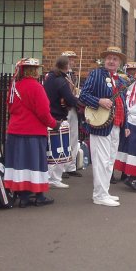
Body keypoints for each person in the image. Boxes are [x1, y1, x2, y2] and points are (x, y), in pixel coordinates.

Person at [4, 58, 60, 208]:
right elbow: (43, 112)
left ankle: (23, 197)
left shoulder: (14, 86)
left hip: (15, 131)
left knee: (20, 164)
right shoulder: (37, 87)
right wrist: (54, 124)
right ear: (33, 71)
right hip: (33, 132)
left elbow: (10, 107)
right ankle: (39, 196)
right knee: (36, 164)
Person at [79, 46, 129, 207]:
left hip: (116, 125)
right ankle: (99, 195)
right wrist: (99, 101)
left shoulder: (120, 81)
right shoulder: (96, 74)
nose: (111, 61)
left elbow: (123, 105)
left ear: (119, 62)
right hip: (100, 125)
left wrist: (125, 125)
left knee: (109, 161)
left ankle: (104, 191)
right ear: (104, 60)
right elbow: (83, 95)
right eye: (109, 58)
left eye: (115, 59)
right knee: (101, 160)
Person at [43, 54, 79, 188]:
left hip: (50, 115)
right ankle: (54, 179)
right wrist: (80, 103)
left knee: (51, 149)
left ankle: (50, 177)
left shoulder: (50, 77)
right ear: (65, 66)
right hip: (58, 117)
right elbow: (69, 98)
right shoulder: (61, 81)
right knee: (59, 149)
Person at [61, 50, 84, 179]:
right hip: (64, 110)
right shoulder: (60, 76)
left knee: (74, 138)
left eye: (73, 59)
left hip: (74, 109)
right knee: (63, 138)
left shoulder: (73, 76)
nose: (72, 61)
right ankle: (62, 167)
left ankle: (71, 166)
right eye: (69, 59)